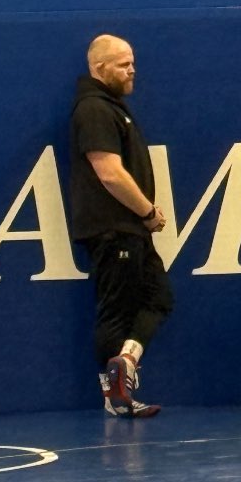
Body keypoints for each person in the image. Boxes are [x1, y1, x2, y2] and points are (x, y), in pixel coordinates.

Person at [68, 34, 171, 418]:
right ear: (99, 68)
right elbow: (109, 173)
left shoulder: (112, 108)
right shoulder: (94, 109)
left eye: (133, 63)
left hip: (131, 231)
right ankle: (114, 398)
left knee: (160, 297)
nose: (132, 71)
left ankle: (124, 363)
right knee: (115, 311)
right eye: (123, 65)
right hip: (114, 229)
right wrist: (147, 212)